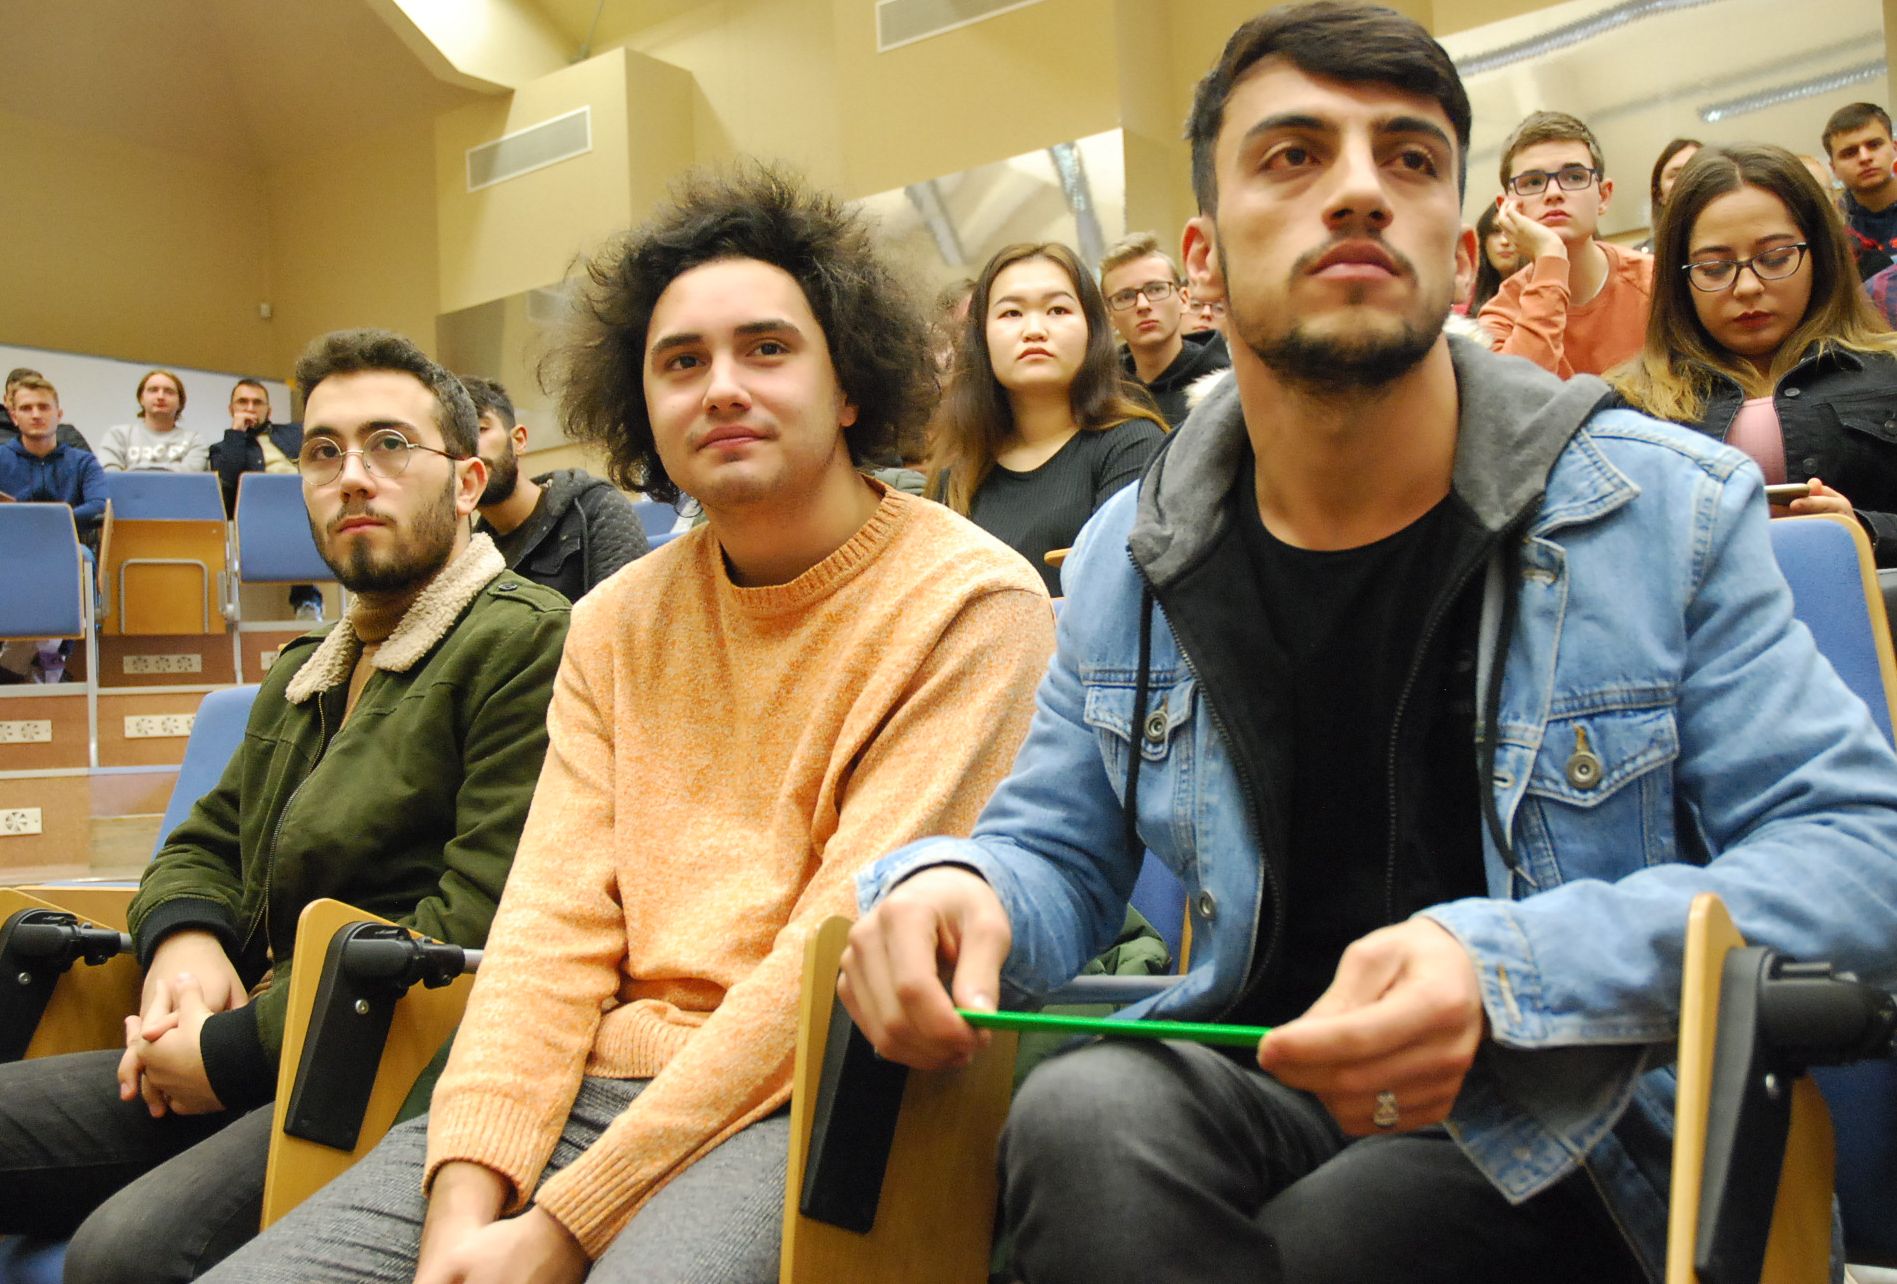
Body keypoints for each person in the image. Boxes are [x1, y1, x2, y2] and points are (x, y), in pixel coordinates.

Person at [837, 5, 1897, 1282]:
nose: (1357, 191)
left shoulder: (1655, 509)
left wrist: (1504, 967)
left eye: (1408, 159)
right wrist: (962, 889)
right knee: (1080, 1117)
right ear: (1203, 257)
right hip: (1268, 1074)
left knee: (1342, 1233)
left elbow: (1861, 860)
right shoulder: (1132, 551)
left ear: (1459, 248)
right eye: (1292, 156)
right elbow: (1055, 849)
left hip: (1576, 1113)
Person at [201, 166, 1055, 1284]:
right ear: (644, 405)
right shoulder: (612, 620)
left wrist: (560, 1230)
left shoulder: (972, 605)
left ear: (848, 384)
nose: (722, 388)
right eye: (682, 363)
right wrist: (465, 1194)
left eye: (767, 349)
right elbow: (547, 932)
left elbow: (821, 966)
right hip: (579, 1089)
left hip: (803, 1097)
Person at [0, 329, 570, 1283]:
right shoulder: (307, 667)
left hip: (385, 1067)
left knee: (123, 1256)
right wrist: (184, 944)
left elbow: (472, 930)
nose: (353, 477)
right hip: (254, 1039)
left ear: (469, 482)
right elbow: (202, 844)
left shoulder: (525, 643)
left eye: (390, 445)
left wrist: (225, 1054)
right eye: (323, 452)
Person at [1611, 142, 1897, 565]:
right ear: (1679, 278)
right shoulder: (1629, 406)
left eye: (1777, 258)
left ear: (1819, 255)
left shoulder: (1888, 371)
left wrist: (1864, 530)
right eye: (1714, 268)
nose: (1747, 287)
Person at [929, 241, 1168, 593]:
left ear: (1092, 330)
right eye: (1011, 313)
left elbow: (1122, 600)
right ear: (981, 338)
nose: (1034, 330)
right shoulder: (957, 474)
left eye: (1057, 310)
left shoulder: (1133, 446)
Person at [1478, 110, 1655, 376]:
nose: (1554, 193)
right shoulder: (1500, 316)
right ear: (1506, 207)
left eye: (1574, 177)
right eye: (1533, 182)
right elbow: (1521, 393)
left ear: (1603, 196)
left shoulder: (1657, 283)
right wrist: (1550, 256)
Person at [463, 374, 648, 600]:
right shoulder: (472, 557)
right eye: (456, 441)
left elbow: (626, 615)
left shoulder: (597, 509)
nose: (469, 449)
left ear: (518, 440)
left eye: (480, 429)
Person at [209, 378, 322, 619]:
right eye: (243, 402)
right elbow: (226, 487)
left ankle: (309, 603)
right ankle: (306, 600)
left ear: (268, 411)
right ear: (231, 409)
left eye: (257, 402)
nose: (250, 408)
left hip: (306, 508)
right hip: (258, 517)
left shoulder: (297, 433)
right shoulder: (222, 448)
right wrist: (236, 433)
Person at [1099, 231, 1232, 427]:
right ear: (1110, 316)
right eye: (1125, 297)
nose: (1143, 305)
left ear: (1183, 299)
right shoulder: (1102, 396)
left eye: (1156, 289)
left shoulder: (1224, 388)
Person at [1824, 102, 1897, 279]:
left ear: (1895, 149)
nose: (1864, 157)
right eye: (1850, 153)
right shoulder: (1831, 233)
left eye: (1874, 145)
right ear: (1834, 169)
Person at [95, 369, 210, 472]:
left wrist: (132, 471)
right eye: (153, 390)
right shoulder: (118, 435)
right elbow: (111, 478)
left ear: (180, 402)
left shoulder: (194, 441)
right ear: (141, 398)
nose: (160, 396)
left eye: (169, 392)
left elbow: (188, 480)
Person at [0, 366, 90, 452]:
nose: (34, 414)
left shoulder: (67, 435)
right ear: (5, 400)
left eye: (36, 398)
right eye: (25, 407)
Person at [1464, 200, 1520, 316]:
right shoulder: (1463, 298)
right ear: (1483, 241)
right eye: (1495, 231)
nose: (1504, 241)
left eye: (1512, 231)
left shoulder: (1548, 293)